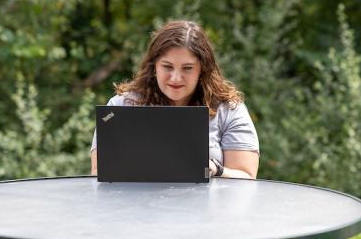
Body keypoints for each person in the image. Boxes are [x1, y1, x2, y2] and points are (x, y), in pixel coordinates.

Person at [90, 20, 259, 179]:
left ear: (202, 70)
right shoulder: (119, 107)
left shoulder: (228, 110)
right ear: (154, 66)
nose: (176, 78)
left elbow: (246, 176)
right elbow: (99, 173)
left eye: (187, 68)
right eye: (167, 66)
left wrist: (216, 169)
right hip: (137, 208)